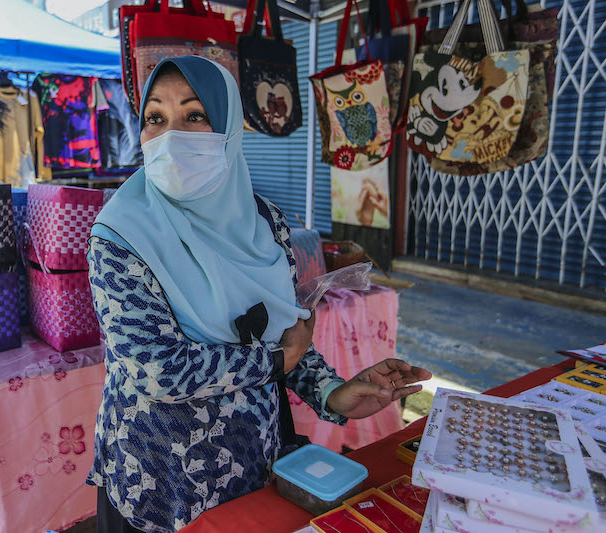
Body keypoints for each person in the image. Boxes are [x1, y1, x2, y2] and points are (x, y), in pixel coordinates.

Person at [86, 56, 431, 533]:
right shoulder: (119, 235)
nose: (171, 137)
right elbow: (156, 369)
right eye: (155, 119)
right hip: (162, 480)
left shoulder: (266, 222)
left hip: (254, 460)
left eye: (195, 115)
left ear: (229, 127)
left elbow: (284, 331)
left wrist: (333, 391)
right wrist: (272, 363)